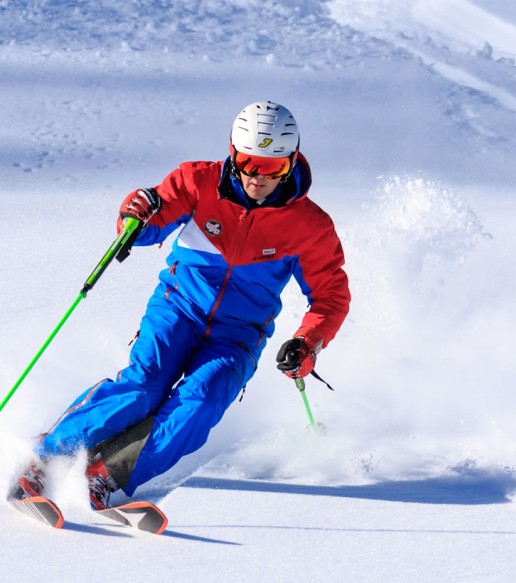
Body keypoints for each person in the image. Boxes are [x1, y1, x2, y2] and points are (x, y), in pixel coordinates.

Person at [8, 101, 351, 510]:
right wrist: (136, 212)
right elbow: (150, 220)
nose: (259, 177)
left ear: (291, 161)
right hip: (179, 308)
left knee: (203, 401)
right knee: (144, 386)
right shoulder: (198, 182)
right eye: (248, 162)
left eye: (273, 167)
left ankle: (105, 474)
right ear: (232, 153)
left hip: (238, 335)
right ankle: (46, 457)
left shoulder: (309, 225)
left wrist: (307, 342)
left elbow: (331, 295)